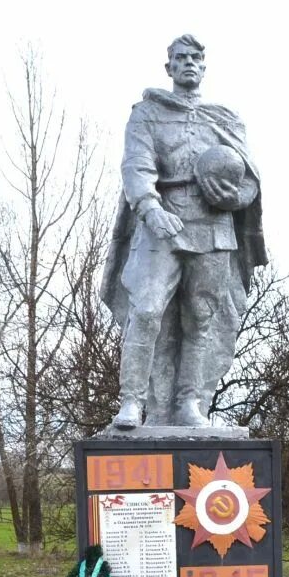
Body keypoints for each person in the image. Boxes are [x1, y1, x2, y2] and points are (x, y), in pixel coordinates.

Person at [101, 34, 268, 429]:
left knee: (202, 317)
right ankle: (131, 402)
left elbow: (249, 179)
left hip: (213, 226)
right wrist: (149, 207)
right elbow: (136, 166)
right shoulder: (147, 113)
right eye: (181, 58)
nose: (188, 63)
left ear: (203, 67)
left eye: (195, 58)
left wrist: (233, 195)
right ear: (169, 67)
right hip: (163, 222)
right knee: (145, 311)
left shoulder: (224, 118)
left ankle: (189, 404)